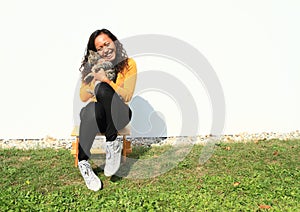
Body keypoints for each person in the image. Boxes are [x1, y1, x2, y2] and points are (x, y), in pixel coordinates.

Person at [77, 29, 137, 191]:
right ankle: (83, 163)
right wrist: (94, 78)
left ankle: (112, 143)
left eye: (107, 44)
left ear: (114, 43)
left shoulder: (128, 64)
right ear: (95, 52)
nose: (105, 49)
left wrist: (106, 81)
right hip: (98, 118)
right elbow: (83, 96)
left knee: (103, 88)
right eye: (99, 48)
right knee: (89, 110)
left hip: (120, 115)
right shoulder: (92, 67)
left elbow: (127, 96)